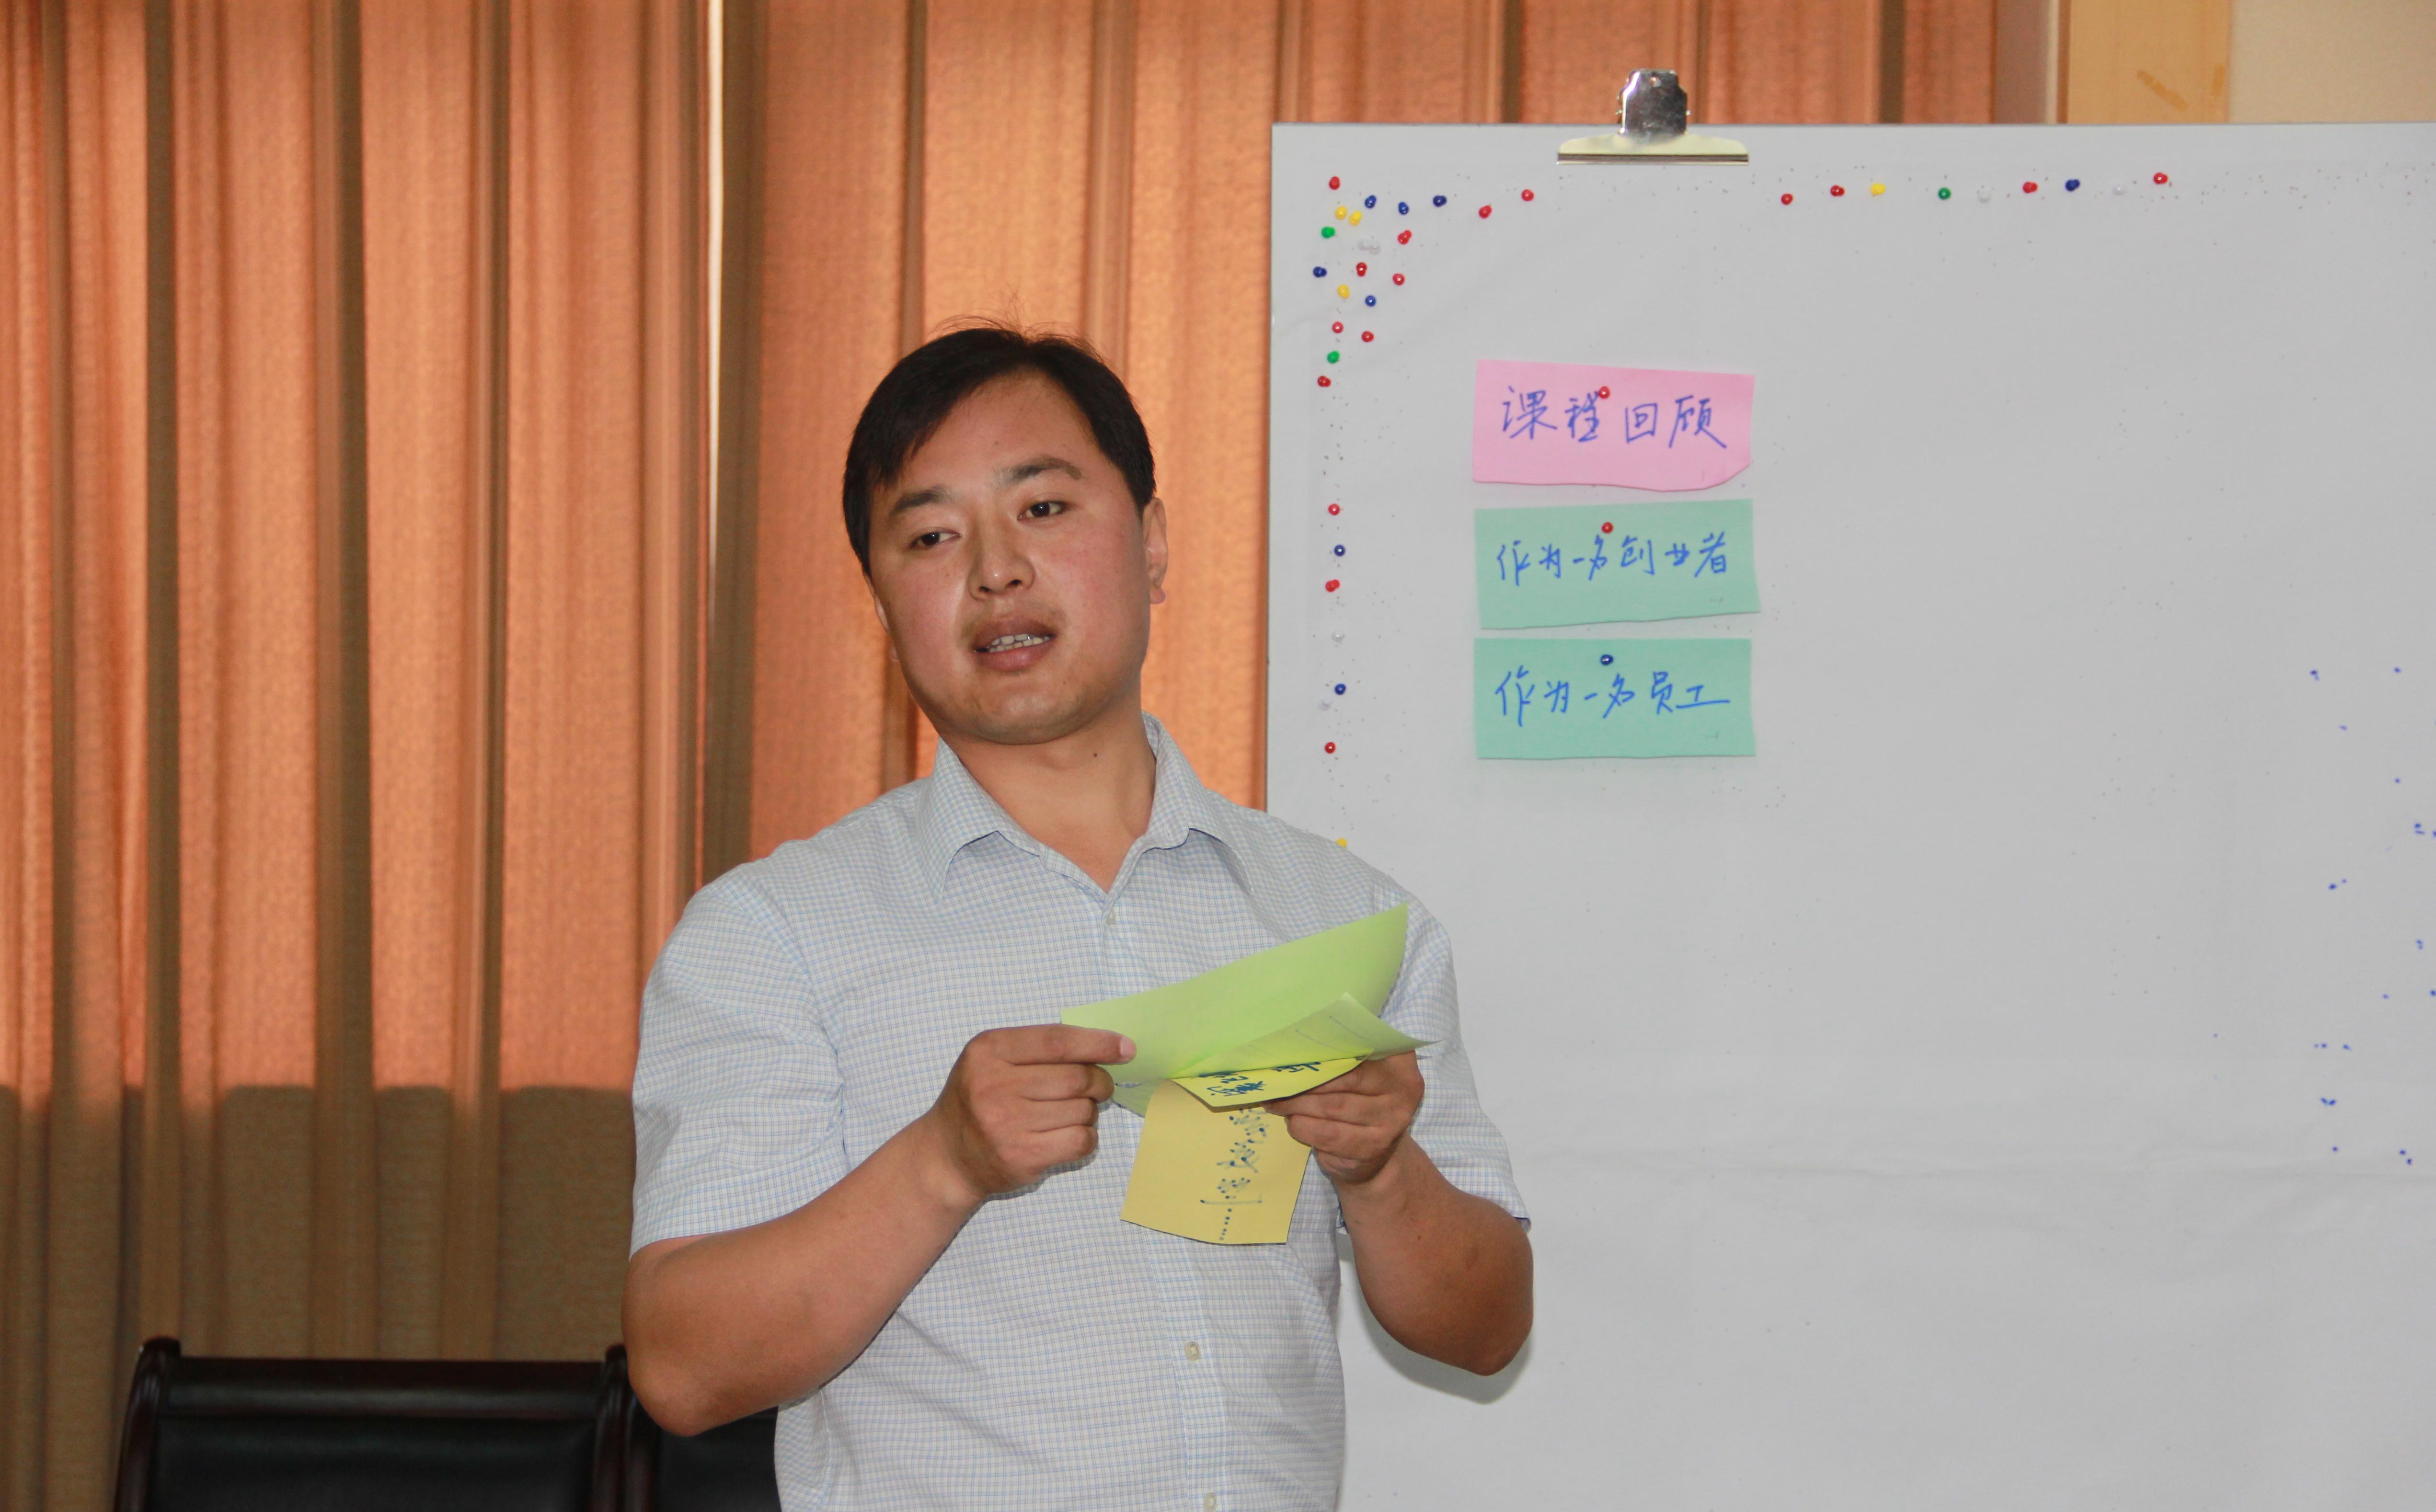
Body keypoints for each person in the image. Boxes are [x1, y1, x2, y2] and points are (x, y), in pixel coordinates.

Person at [622, 324, 1531, 1511]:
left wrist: (1381, 1168)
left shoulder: (1342, 915)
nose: (996, 570)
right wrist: (942, 1161)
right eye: (932, 536)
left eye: (1043, 509)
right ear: (880, 602)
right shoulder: (771, 934)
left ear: (1152, 542)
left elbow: (1486, 1327)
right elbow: (684, 1371)